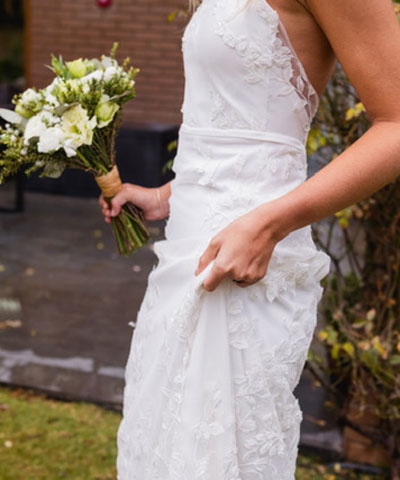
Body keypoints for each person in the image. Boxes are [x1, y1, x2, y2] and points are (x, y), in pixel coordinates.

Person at [99, 0, 400, 478]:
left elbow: (396, 126)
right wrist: (165, 196)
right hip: (186, 249)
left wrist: (268, 225)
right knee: (165, 441)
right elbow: (241, 128)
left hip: (247, 259)